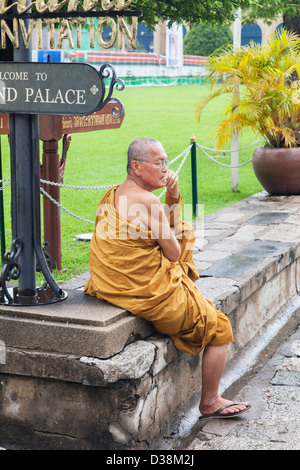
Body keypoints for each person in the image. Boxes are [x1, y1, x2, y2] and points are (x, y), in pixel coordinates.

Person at [84, 138, 251, 419]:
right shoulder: (147, 200)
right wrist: (170, 200)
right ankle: (210, 401)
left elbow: (149, 233)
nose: (165, 168)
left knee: (182, 234)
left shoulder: (114, 194)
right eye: (159, 162)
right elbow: (173, 253)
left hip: (111, 285)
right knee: (220, 328)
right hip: (149, 293)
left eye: (166, 161)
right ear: (136, 167)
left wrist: (171, 194)